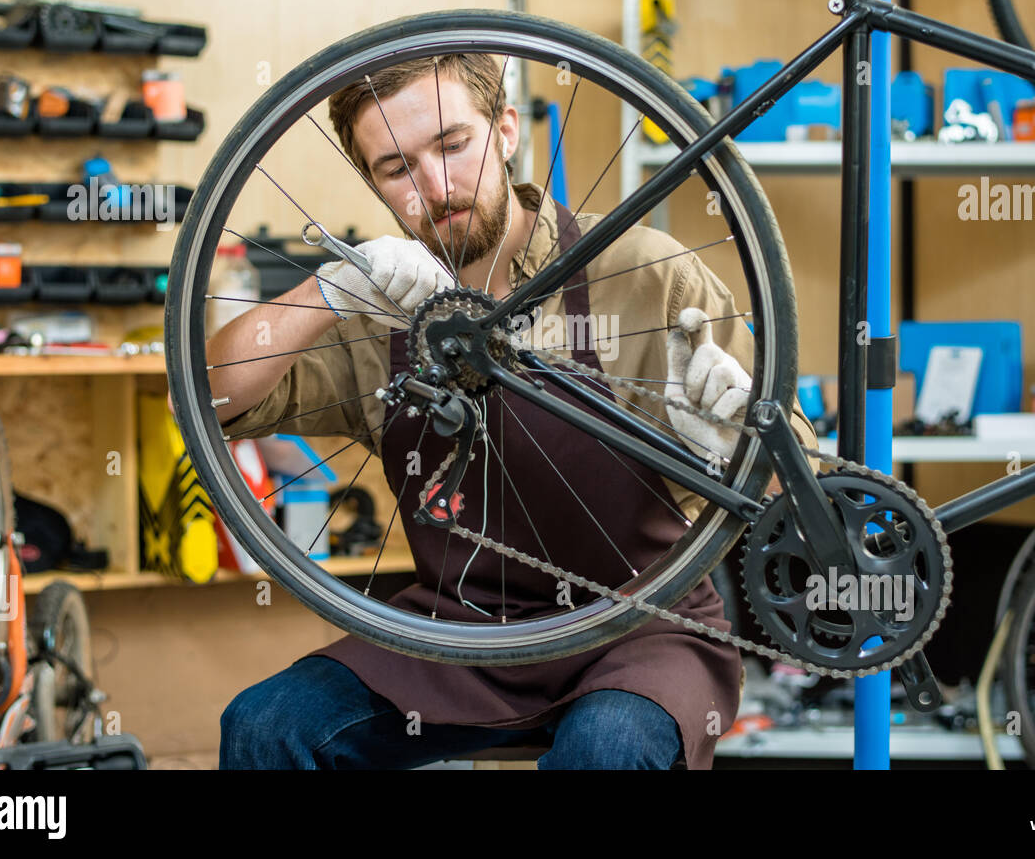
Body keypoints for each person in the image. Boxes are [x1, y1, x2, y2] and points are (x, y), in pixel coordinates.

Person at [211, 53, 819, 769]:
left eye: (452, 144)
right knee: (263, 726)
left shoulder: (648, 274)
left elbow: (804, 501)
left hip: (643, 632)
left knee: (607, 748)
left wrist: (733, 445)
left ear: (504, 130)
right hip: (459, 635)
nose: (436, 188)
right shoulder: (376, 307)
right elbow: (213, 397)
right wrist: (331, 289)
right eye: (397, 167)